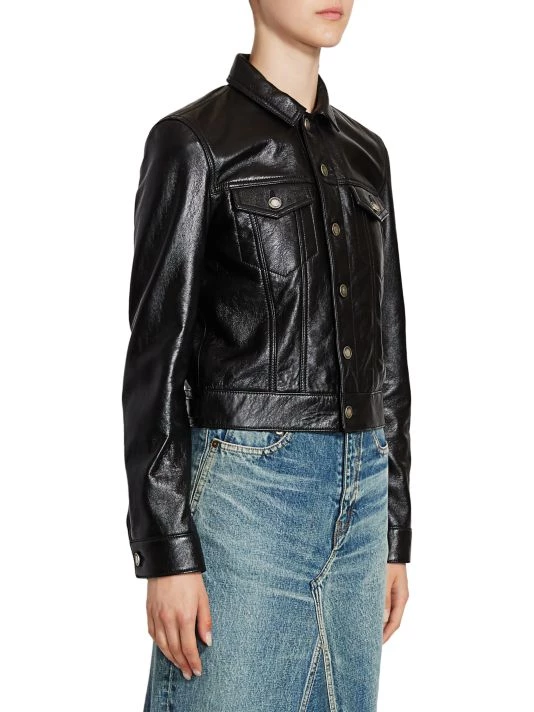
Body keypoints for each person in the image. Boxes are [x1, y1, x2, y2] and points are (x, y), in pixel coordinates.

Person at [122, 1, 412, 710]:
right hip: (247, 500)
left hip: (362, 499)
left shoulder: (366, 156)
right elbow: (156, 362)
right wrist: (168, 551)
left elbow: (389, 358)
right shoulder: (194, 143)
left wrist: (394, 532)